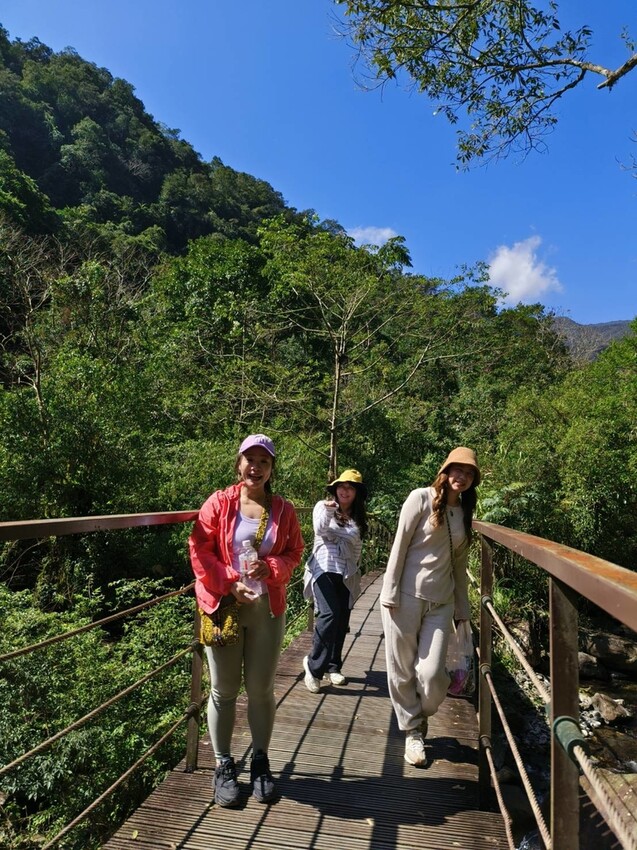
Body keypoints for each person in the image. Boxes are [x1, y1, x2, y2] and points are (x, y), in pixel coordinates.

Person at [189, 434, 304, 807]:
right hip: (224, 605)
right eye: (249, 459)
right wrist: (229, 583)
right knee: (223, 690)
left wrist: (270, 567)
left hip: (267, 609)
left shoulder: (284, 510)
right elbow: (199, 549)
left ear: (271, 469)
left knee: (261, 689)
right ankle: (223, 764)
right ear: (238, 463)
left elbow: (294, 552)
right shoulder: (218, 504)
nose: (256, 467)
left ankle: (260, 760)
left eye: (264, 462)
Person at [380, 447, 480, 767]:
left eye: (468, 472)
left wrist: (463, 612)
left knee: (434, 674)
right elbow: (400, 544)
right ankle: (412, 733)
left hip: (442, 602)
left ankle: (421, 714)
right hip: (405, 597)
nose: (460, 477)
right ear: (445, 470)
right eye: (456, 469)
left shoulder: (464, 512)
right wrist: (389, 590)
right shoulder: (420, 498)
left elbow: (460, 566)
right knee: (402, 669)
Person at [302, 469, 368, 693]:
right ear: (335, 489)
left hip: (346, 572)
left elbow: (356, 547)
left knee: (341, 618)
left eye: (350, 487)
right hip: (322, 568)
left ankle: (333, 666)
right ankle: (313, 667)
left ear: (357, 492)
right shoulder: (323, 506)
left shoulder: (358, 519)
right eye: (341, 486)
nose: (345, 490)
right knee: (329, 614)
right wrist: (333, 519)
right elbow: (319, 528)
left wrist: (337, 536)